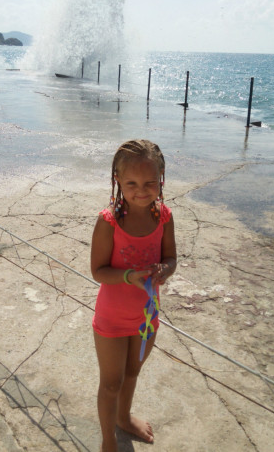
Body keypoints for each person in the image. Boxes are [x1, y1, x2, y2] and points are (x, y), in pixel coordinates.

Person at [91, 139, 177, 452]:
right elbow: (98, 271)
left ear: (161, 178)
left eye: (150, 182)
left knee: (132, 372)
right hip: (112, 319)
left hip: (147, 317)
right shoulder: (109, 222)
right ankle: (108, 440)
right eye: (132, 184)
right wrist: (129, 276)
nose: (142, 190)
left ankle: (124, 418)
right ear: (118, 180)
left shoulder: (163, 217)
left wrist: (165, 269)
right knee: (111, 382)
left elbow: (171, 258)